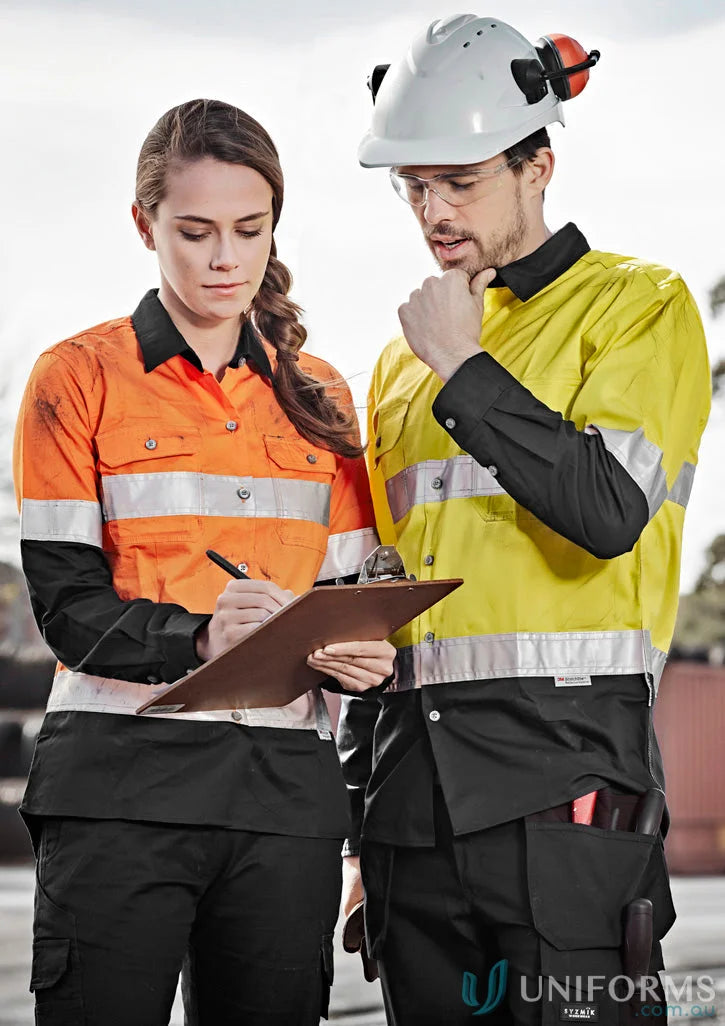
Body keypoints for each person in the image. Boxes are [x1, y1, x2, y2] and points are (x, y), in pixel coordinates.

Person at [337, 14, 711, 1026]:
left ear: (537, 164)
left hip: (566, 794)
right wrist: (357, 828)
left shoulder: (636, 306)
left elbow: (604, 511)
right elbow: (387, 595)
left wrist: (464, 365)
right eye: (413, 184)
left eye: (458, 181)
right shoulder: (393, 363)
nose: (431, 210)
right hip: (410, 813)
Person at [13, 97, 395, 1026]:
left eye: (247, 229)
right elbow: (66, 605)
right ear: (143, 225)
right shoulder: (77, 378)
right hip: (120, 789)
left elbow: (347, 598)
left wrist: (368, 658)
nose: (224, 258)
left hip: (282, 804)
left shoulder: (320, 395)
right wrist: (198, 636)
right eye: (194, 231)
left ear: (273, 229)